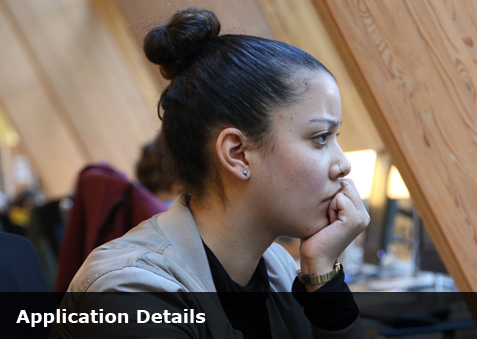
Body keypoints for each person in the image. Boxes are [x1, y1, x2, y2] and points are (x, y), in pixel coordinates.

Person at [52, 8, 370, 338]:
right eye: (320, 138)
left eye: (336, 138)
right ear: (237, 154)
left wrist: (323, 280)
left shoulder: (277, 265)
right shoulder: (128, 293)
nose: (343, 164)